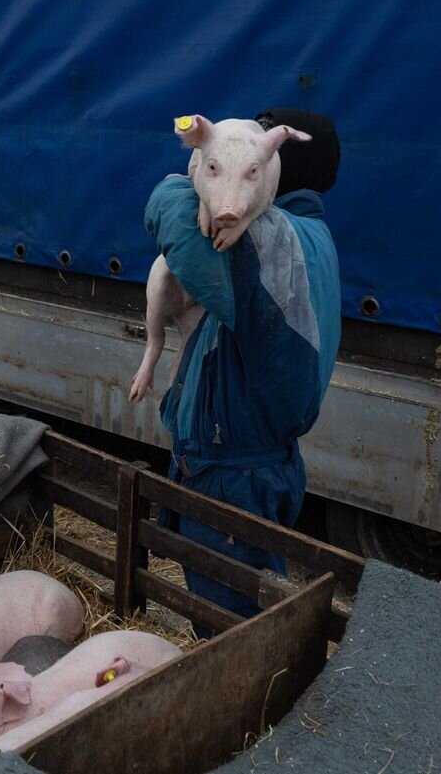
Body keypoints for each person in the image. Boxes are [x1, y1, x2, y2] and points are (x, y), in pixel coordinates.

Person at [145, 108, 342, 624]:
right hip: (263, 461)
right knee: (254, 607)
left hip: (234, 476)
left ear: (272, 167)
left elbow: (171, 222)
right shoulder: (313, 236)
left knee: (227, 627)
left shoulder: (270, 238)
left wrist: (183, 174)